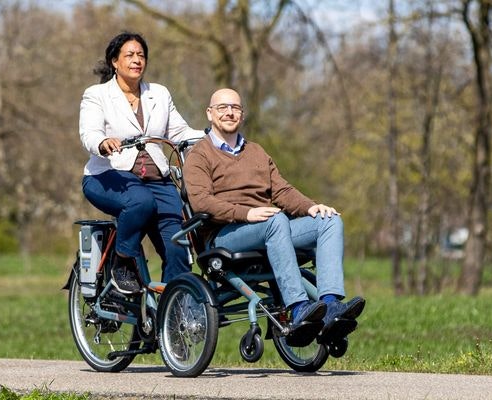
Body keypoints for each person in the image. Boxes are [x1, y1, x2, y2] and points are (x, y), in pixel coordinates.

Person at [183, 88, 365, 342]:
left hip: (267, 227)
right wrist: (247, 213)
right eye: (222, 107)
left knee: (330, 221)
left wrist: (311, 207)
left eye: (235, 107)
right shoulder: (199, 155)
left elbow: (282, 190)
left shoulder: (256, 151)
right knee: (276, 219)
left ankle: (331, 305)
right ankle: (298, 308)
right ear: (210, 114)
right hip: (224, 235)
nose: (229, 112)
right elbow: (201, 201)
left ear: (242, 114)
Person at [79, 32, 203, 294]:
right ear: (114, 61)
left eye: (141, 55)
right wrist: (102, 143)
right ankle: (122, 260)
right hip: (108, 175)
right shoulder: (97, 94)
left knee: (178, 245)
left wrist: (212, 134)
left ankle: (171, 316)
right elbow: (89, 133)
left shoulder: (158, 93)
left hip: (157, 179)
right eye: (129, 55)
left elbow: (179, 133)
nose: (137, 60)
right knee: (141, 201)